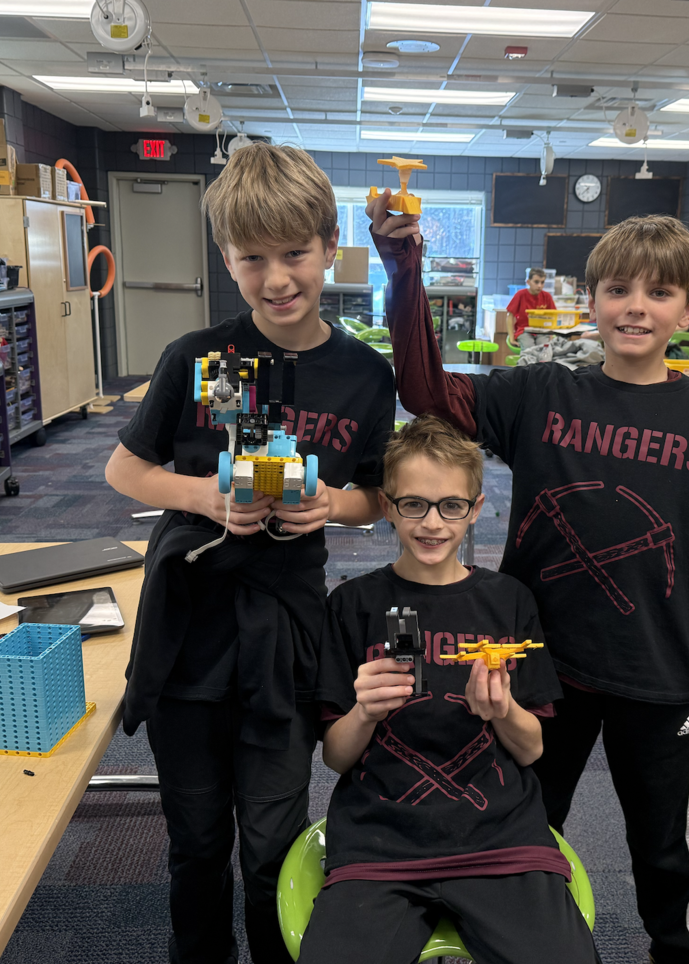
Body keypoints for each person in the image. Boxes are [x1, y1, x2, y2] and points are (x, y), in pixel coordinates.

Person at [369, 198, 689, 964]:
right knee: (525, 830)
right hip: (540, 667)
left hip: (657, 675)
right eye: (618, 289)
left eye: (659, 293)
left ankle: (674, 954)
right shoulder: (541, 393)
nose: (635, 308)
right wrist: (403, 268)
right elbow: (428, 393)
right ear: (588, 301)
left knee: (663, 850)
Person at [104, 143, 395, 964]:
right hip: (191, 628)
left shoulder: (364, 377)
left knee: (273, 844)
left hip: (286, 635)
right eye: (251, 258)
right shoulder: (203, 357)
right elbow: (124, 467)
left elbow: (377, 493)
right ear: (225, 258)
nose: (276, 279)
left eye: (295, 253)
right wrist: (206, 497)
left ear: (329, 244)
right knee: (197, 843)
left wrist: (333, 507)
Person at [299, 415, 597, 964]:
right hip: (379, 839)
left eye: (450, 506)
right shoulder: (351, 604)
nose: (431, 523)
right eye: (413, 504)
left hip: (500, 838)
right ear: (387, 507)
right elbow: (337, 759)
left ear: (476, 509)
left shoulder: (508, 601)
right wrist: (364, 713)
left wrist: (503, 709)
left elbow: (532, 748)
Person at [506, 266, 556, 339]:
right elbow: (510, 315)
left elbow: (553, 316)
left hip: (542, 331)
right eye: (536, 282)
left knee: (544, 346)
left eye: (542, 282)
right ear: (528, 282)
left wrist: (550, 334)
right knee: (528, 346)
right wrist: (511, 337)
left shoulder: (547, 296)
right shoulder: (520, 295)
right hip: (524, 331)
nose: (539, 285)